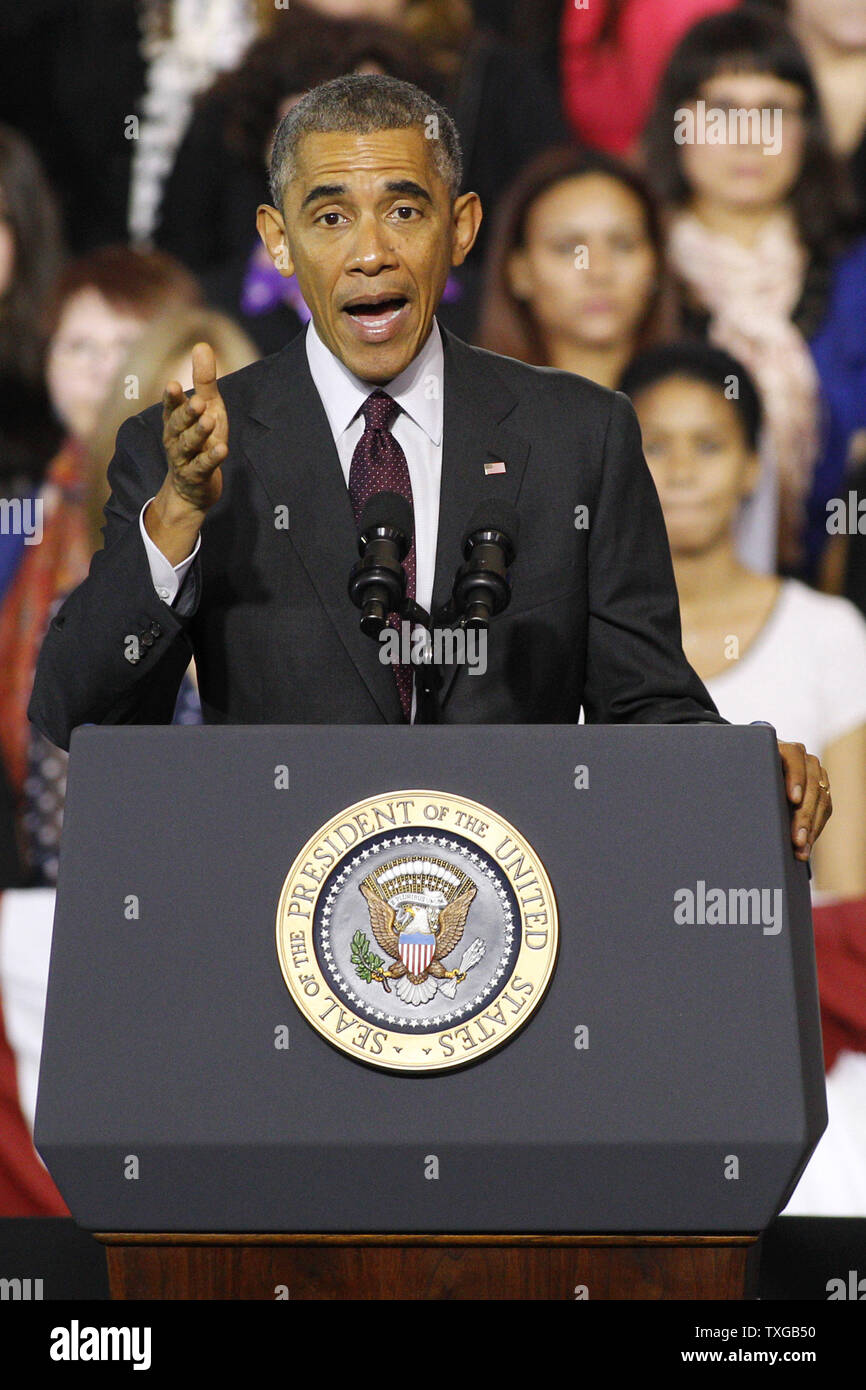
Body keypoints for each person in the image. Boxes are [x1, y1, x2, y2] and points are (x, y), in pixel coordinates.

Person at [28, 73, 830, 866]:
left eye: (405, 211)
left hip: (525, 926)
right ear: (278, 241)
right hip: (278, 929)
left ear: (462, 227)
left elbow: (647, 704)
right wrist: (175, 520)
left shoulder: (580, 434)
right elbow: (80, 716)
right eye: (331, 216)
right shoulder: (188, 449)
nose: (371, 252)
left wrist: (744, 774)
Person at [622, 343, 866, 898]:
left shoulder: (830, 633)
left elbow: (849, 891)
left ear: (753, 466)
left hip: (800, 973)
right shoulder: (576, 633)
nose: (681, 471)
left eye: (708, 445)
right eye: (655, 446)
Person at [644, 5, 866, 580]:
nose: (750, 138)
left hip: (832, 595)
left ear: (808, 130)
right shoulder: (632, 265)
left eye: (773, 111)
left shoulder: (855, 273)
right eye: (722, 112)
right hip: (651, 597)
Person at [476, 145, 667, 389]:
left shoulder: (704, 401)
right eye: (567, 248)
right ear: (518, 271)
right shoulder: (462, 409)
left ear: (657, 262)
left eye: (623, 245)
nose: (599, 272)